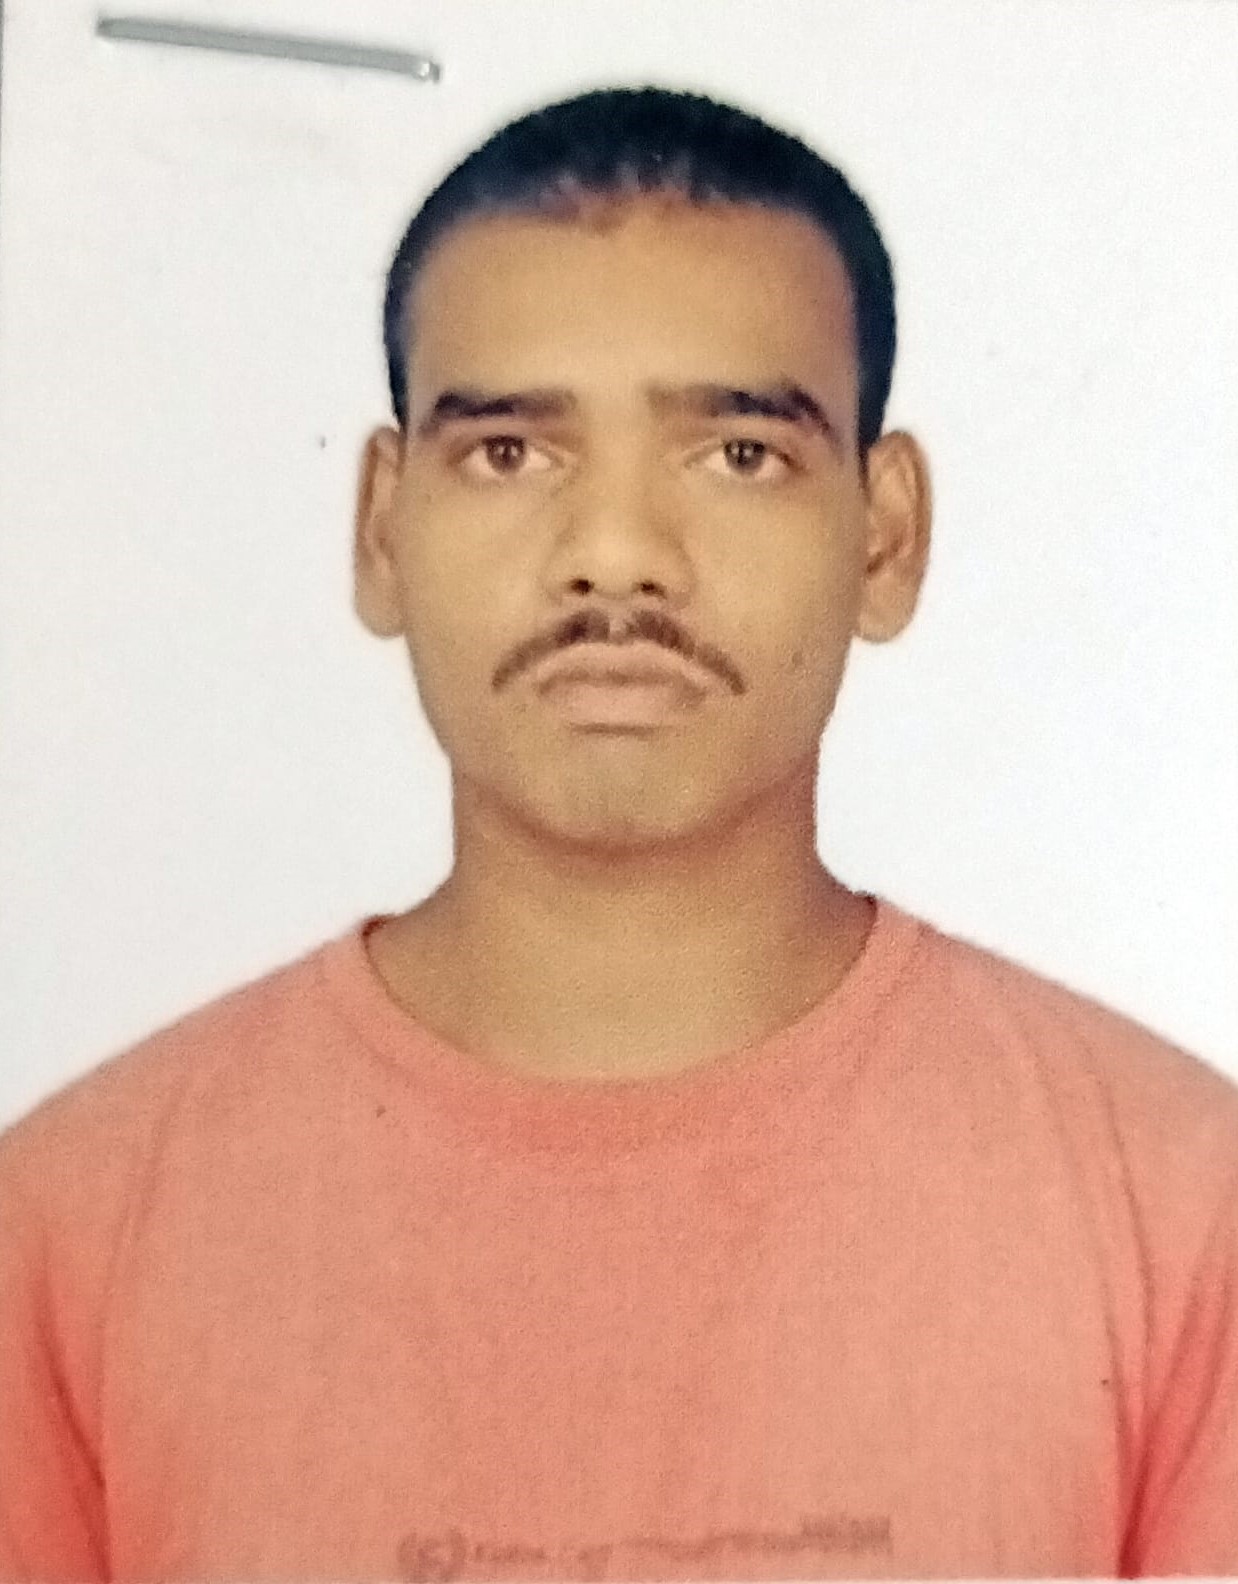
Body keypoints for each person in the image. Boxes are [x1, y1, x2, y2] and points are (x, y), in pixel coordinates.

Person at [1, 82, 1235, 1584]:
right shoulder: (64, 1234)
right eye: (510, 453)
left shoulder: (1183, 1215)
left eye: (739, 454)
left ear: (885, 535)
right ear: (382, 527)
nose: (615, 556)